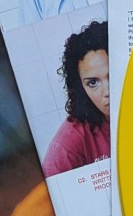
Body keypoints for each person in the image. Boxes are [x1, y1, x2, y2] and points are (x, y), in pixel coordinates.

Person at [42, 21, 110, 177]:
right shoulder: (68, 142)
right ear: (81, 88)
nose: (107, 91)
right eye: (92, 83)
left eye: (113, 75)